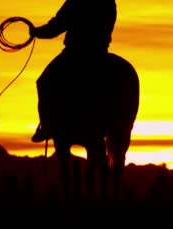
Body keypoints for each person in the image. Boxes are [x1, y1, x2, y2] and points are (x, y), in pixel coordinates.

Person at [30, 0, 117, 143]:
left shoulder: (76, 1)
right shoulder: (109, 2)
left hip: (75, 52)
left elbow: (57, 25)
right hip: (100, 52)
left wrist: (37, 32)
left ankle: (46, 126)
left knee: (44, 82)